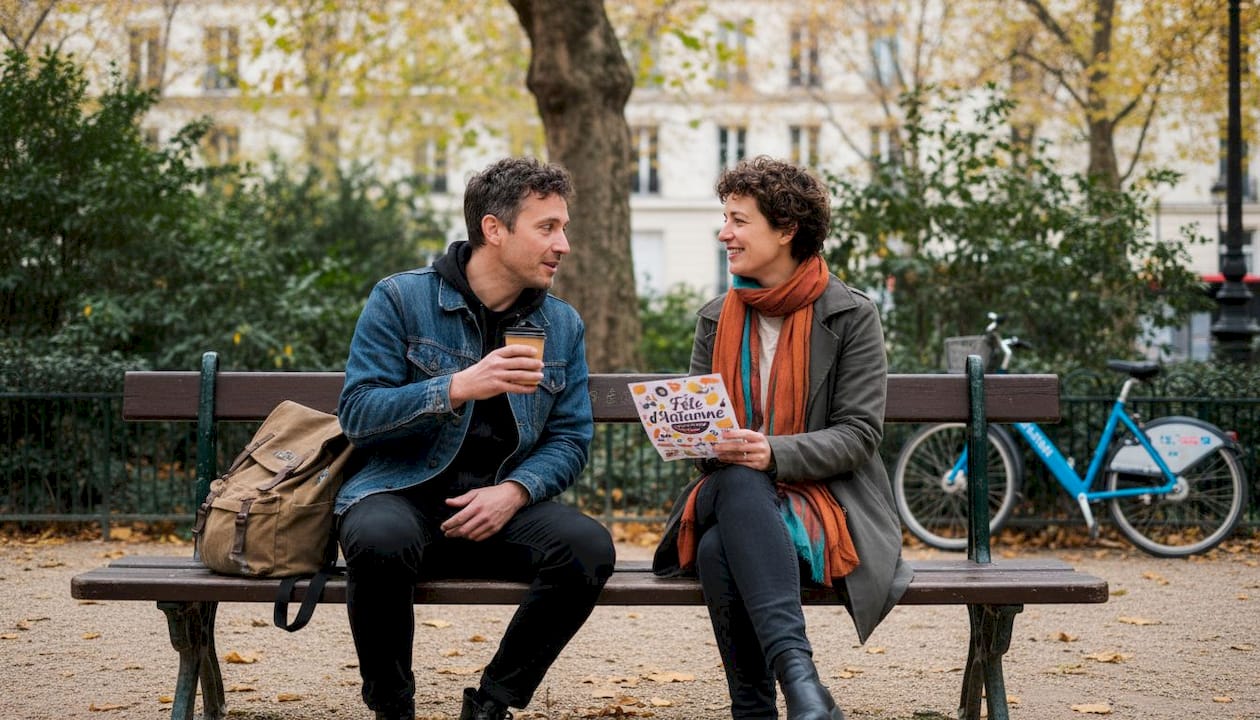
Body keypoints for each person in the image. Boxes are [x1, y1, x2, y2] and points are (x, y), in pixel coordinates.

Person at [335, 157, 615, 720]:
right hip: (403, 493)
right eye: (547, 227)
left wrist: (514, 491)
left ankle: (492, 704)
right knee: (376, 536)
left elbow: (570, 438)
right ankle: (392, 707)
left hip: (499, 504)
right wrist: (457, 387)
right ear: (494, 229)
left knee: (588, 548)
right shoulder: (400, 299)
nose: (563, 244)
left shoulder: (560, 325)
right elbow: (359, 413)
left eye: (563, 228)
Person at [652, 156, 913, 720]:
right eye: (726, 218)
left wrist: (775, 453)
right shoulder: (715, 319)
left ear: (786, 230)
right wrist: (695, 437)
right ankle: (803, 685)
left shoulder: (850, 315)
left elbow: (860, 434)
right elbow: (703, 439)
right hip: (738, 497)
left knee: (724, 544)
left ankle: (757, 709)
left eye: (739, 220)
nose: (725, 232)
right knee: (739, 482)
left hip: (825, 508)